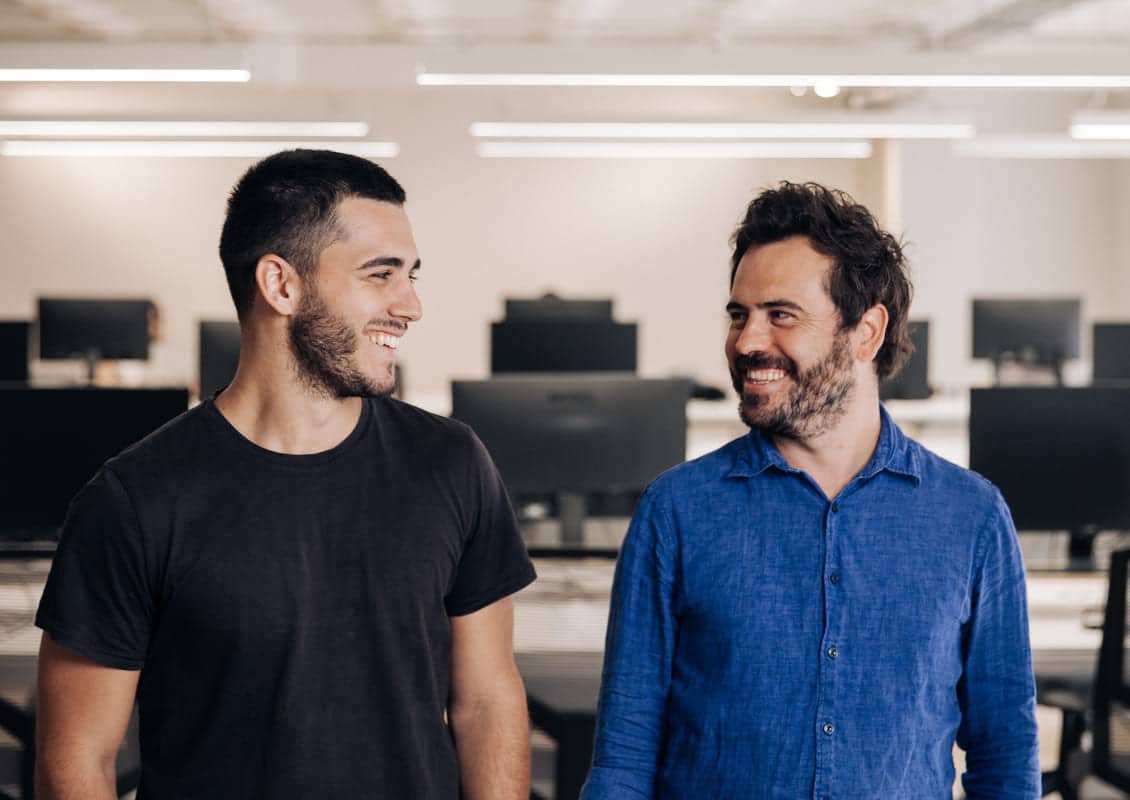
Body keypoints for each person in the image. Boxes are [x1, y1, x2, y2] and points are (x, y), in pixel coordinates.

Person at [34, 149, 537, 799]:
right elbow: (76, 763)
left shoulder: (453, 462)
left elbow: (488, 704)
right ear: (281, 285)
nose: (410, 305)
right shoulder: (134, 501)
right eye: (381, 275)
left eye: (411, 275)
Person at [582, 182, 1039, 799]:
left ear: (866, 333)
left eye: (781, 315)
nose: (746, 342)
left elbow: (1005, 755)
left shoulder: (971, 516)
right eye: (739, 314)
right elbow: (625, 754)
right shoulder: (678, 511)